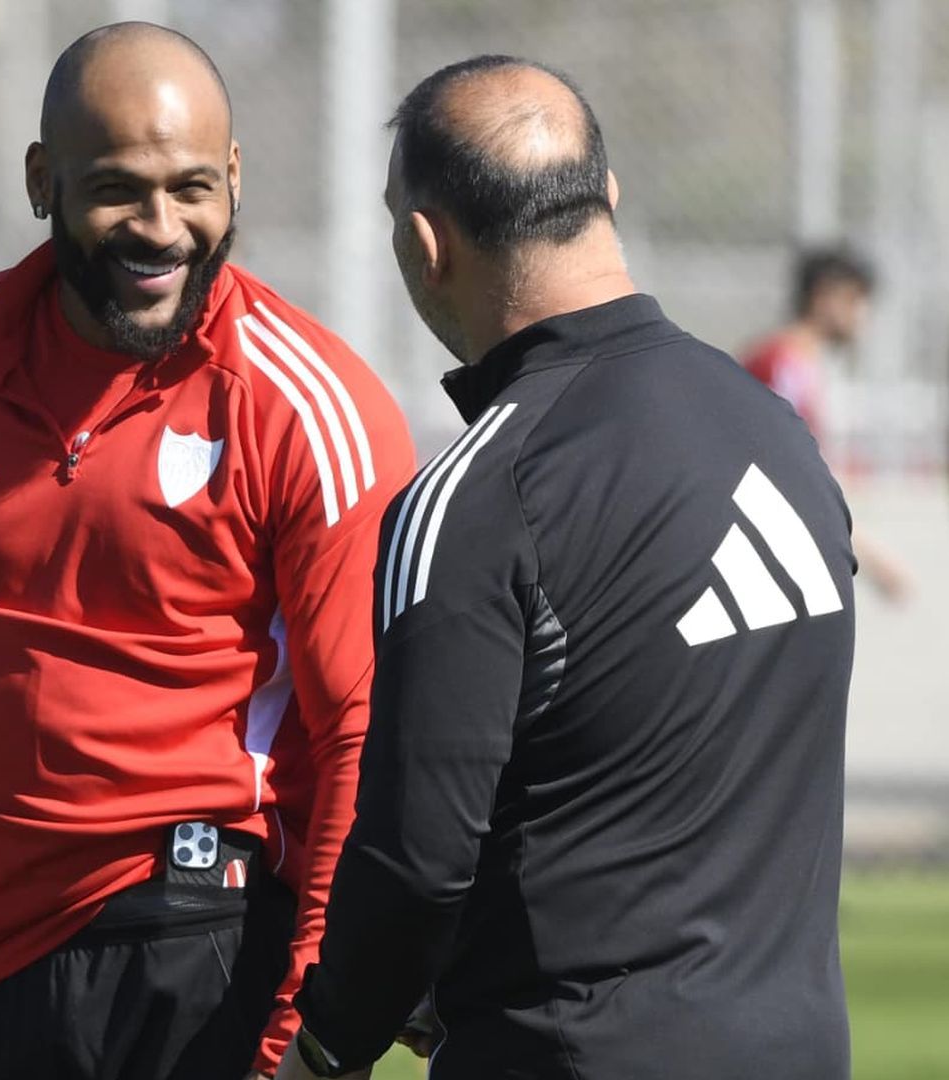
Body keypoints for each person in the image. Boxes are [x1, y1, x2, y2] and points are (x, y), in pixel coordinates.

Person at [0, 21, 415, 1080]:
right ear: (41, 180)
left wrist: (298, 1035)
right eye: (117, 191)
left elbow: (358, 740)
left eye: (193, 187)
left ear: (235, 178)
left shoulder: (306, 405)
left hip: (208, 935)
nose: (161, 228)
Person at [279, 56, 856, 1080]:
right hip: (799, 1049)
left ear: (424, 242)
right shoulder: (776, 435)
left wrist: (323, 1045)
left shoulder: (479, 494)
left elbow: (415, 860)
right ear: (609, 198)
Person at [741, 247, 912, 601]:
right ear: (824, 296)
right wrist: (872, 556)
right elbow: (788, 479)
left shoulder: (799, 362)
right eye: (855, 299)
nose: (863, 313)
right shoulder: (782, 364)